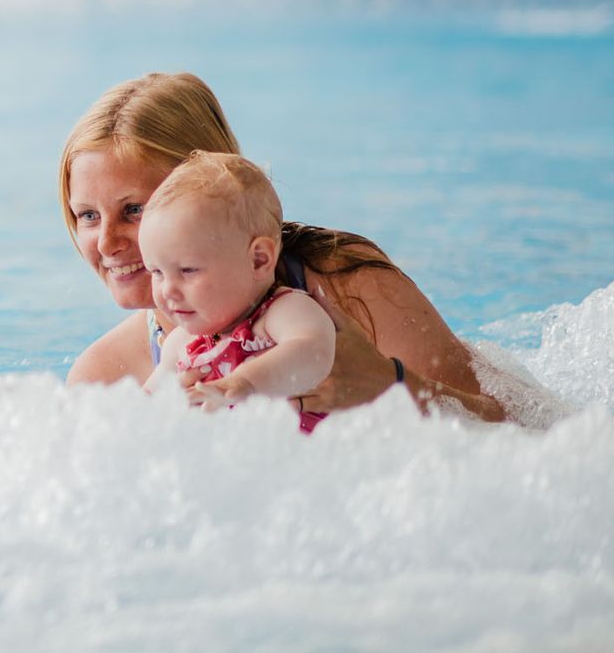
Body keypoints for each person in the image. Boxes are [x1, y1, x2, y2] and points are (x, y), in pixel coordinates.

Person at [62, 72, 507, 423]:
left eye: (135, 209)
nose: (107, 243)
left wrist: (391, 386)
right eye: (87, 215)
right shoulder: (104, 378)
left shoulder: (347, 293)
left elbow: (522, 424)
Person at [138, 151, 337, 431]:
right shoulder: (180, 344)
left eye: (188, 270)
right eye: (157, 272)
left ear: (259, 260)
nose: (167, 289)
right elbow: (139, 412)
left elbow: (314, 352)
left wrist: (246, 382)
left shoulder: (281, 312)